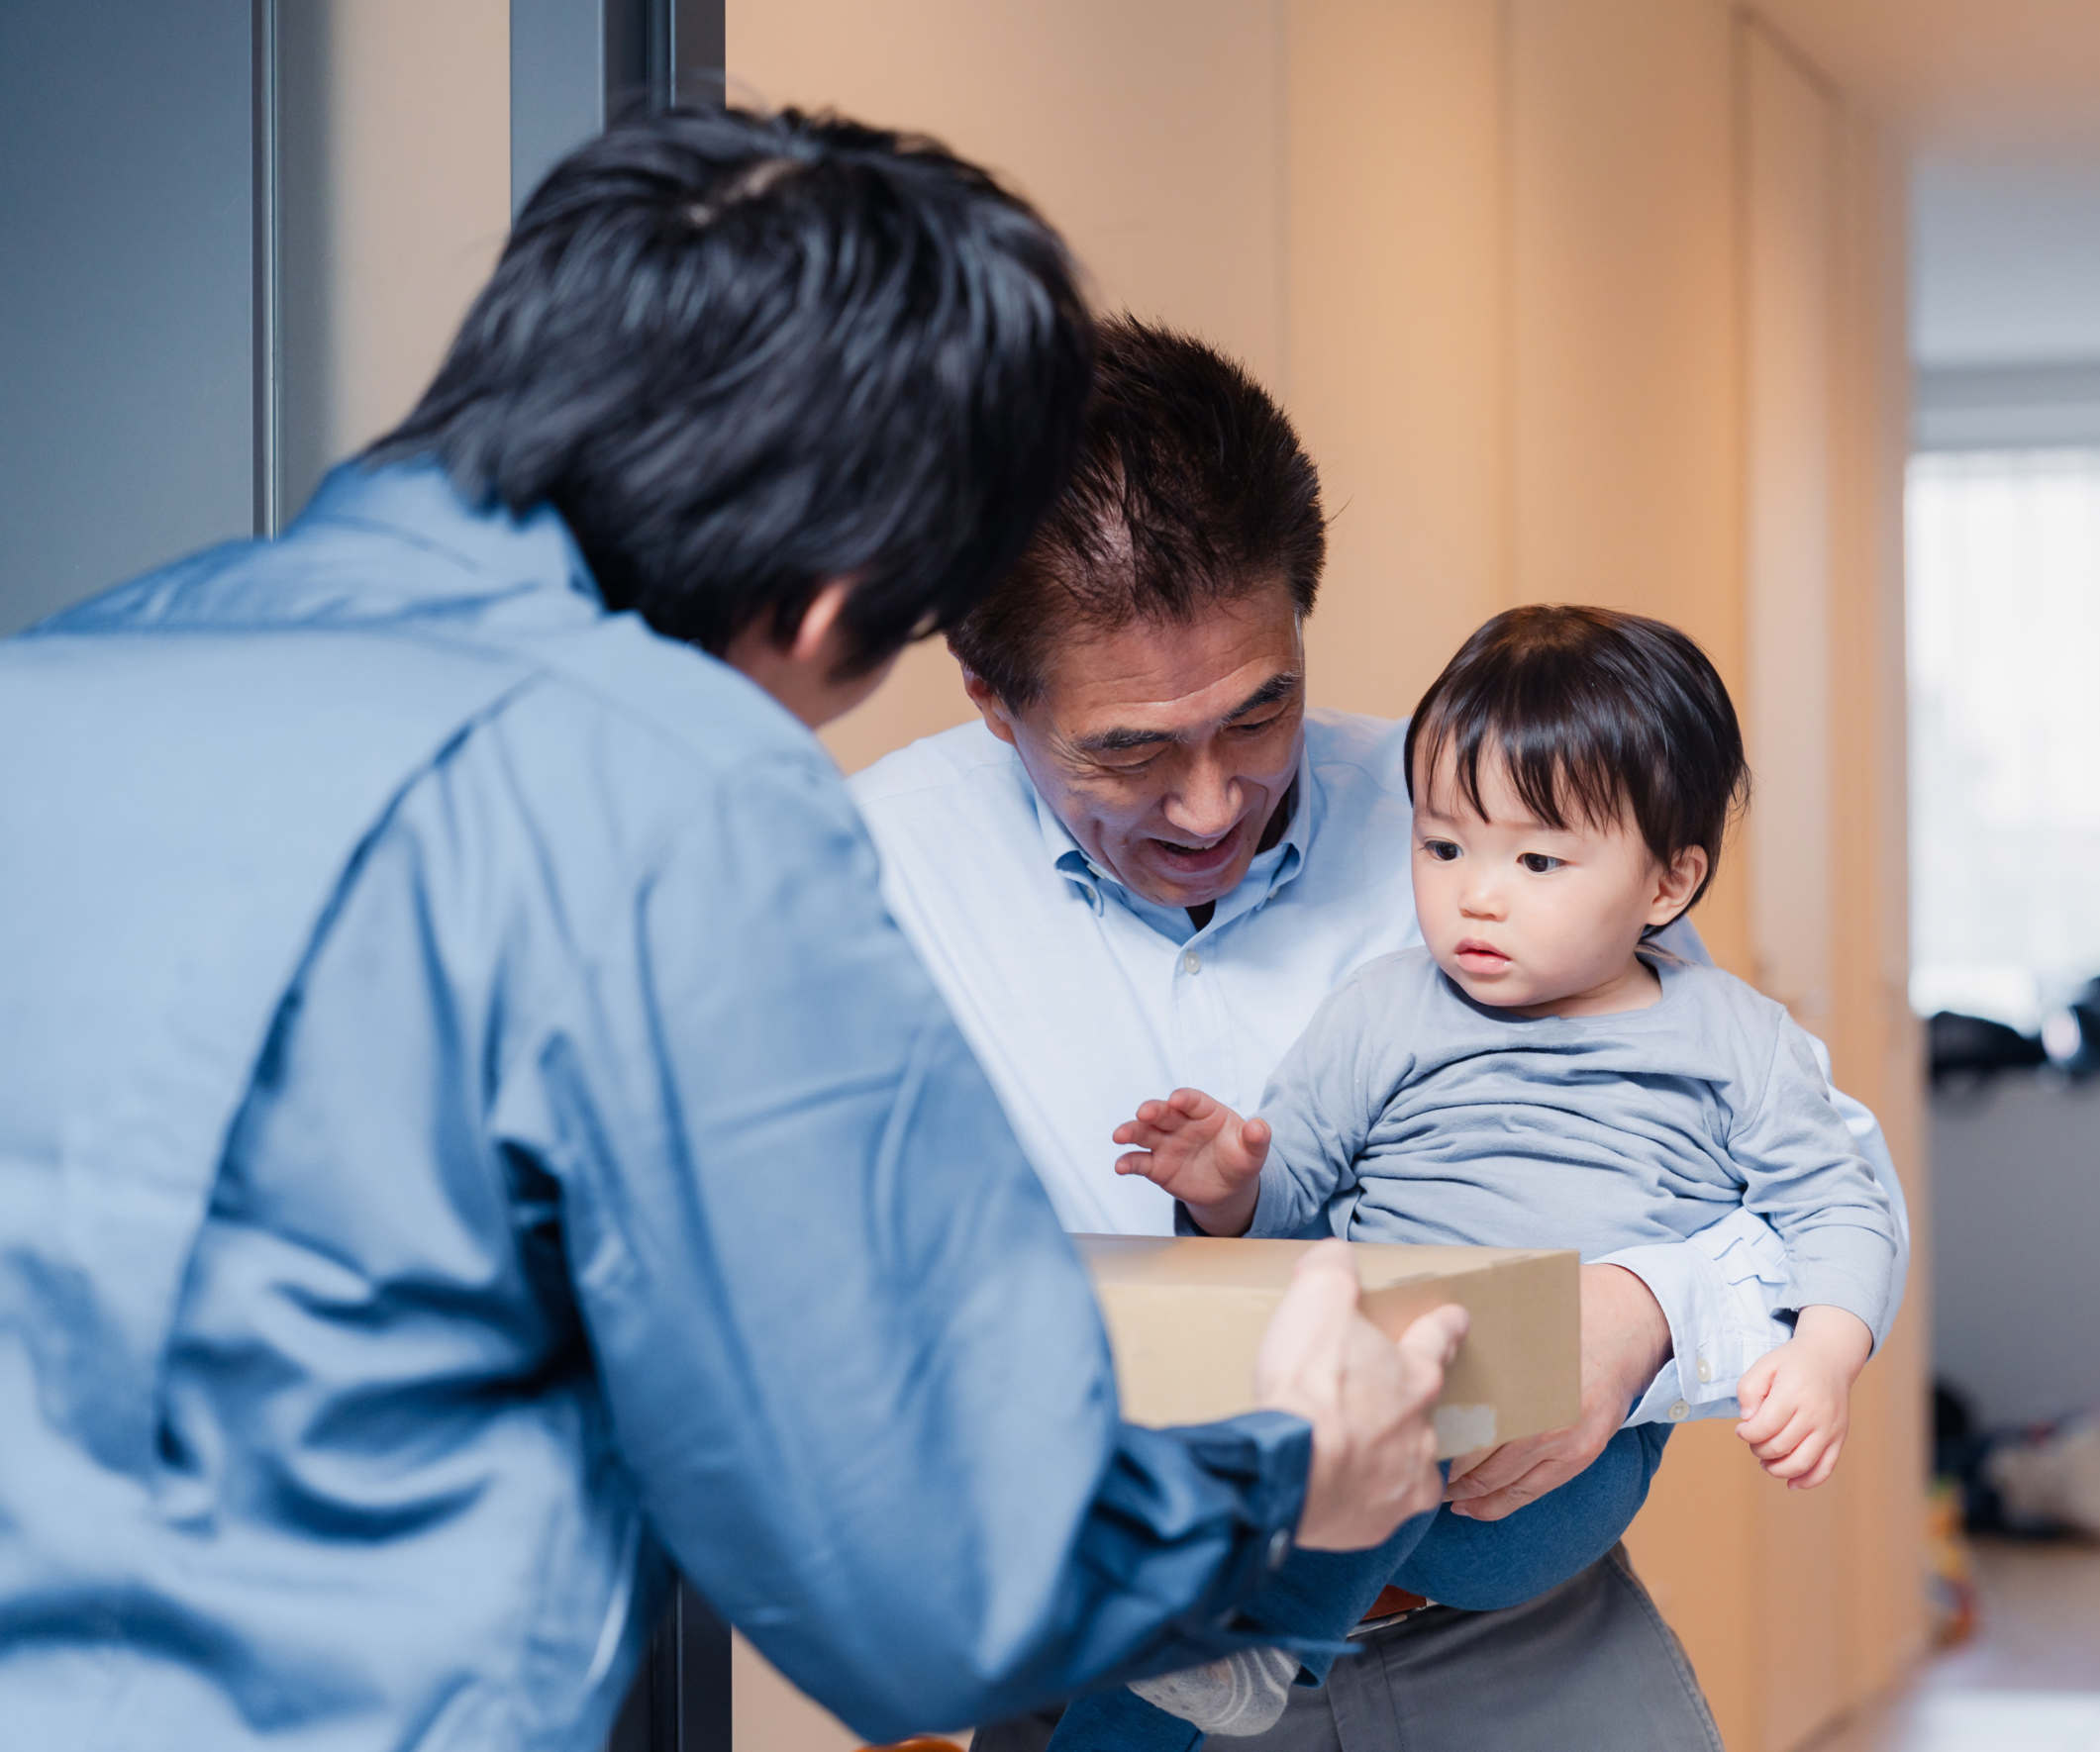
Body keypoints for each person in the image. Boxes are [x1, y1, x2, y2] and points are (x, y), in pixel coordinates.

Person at [0, 109, 1464, 1752]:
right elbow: (923, 1588)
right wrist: (1296, 1489)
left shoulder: (54, 681)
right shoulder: (674, 797)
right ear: (852, 599)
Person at [851, 320, 1911, 1752]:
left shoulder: (1496, 817)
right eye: (1131, 752)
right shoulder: (855, 889)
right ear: (990, 694)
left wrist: (1645, 1314)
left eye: (1259, 710)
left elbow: (1791, 1186)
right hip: (1133, 1654)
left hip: (1516, 1639)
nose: (1213, 803)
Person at [1046, 605, 1902, 1751]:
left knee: (1373, 1422)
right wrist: (1226, 1187)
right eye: (1444, 847)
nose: (1477, 896)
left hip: (1546, 1483)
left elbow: (1838, 1204)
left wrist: (1825, 1352)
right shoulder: (1387, 1008)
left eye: (1539, 860)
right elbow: (1292, 1194)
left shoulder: (1729, 1038)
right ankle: (1191, 1668)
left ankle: (1247, 1631)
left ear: (1666, 882)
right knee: (1282, 1444)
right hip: (1367, 1431)